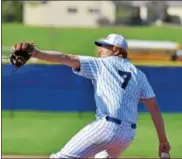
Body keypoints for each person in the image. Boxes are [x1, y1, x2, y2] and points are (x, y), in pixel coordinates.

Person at [13, 34, 171, 158]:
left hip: (107, 127)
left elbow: (67, 58)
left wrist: (36, 53)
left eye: (105, 46)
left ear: (116, 50)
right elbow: (154, 109)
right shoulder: (140, 75)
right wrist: (162, 140)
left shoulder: (101, 64)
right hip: (127, 135)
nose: (100, 49)